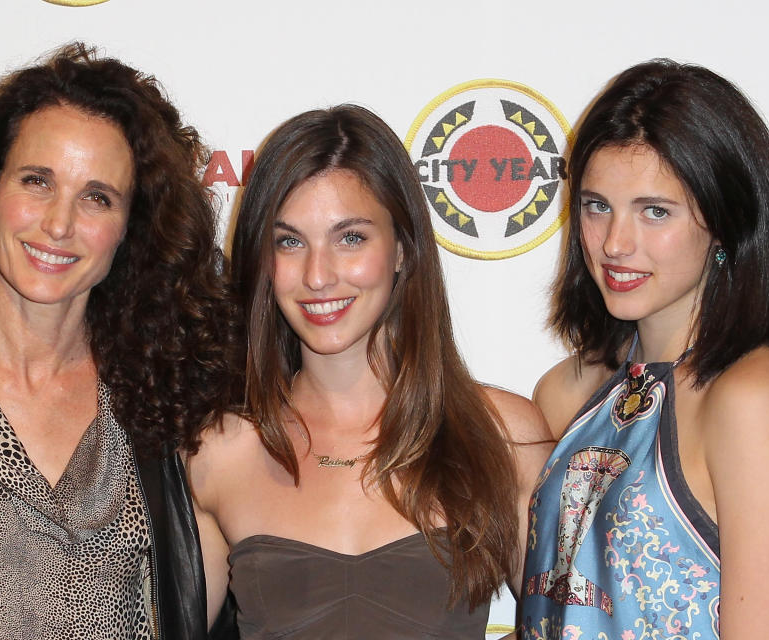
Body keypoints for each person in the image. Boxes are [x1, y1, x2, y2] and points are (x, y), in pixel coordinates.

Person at [0, 43, 241, 639]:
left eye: (97, 197)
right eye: (37, 181)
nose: (59, 224)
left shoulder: (174, 395)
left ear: (129, 226)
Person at [188, 104, 553, 638]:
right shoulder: (218, 453)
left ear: (403, 248)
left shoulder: (504, 437)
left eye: (350, 238)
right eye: (289, 241)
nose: (317, 275)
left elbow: (567, 627)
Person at [523, 59, 769, 639]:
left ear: (724, 223)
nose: (615, 242)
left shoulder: (752, 396)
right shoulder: (568, 392)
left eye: (654, 211)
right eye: (596, 205)